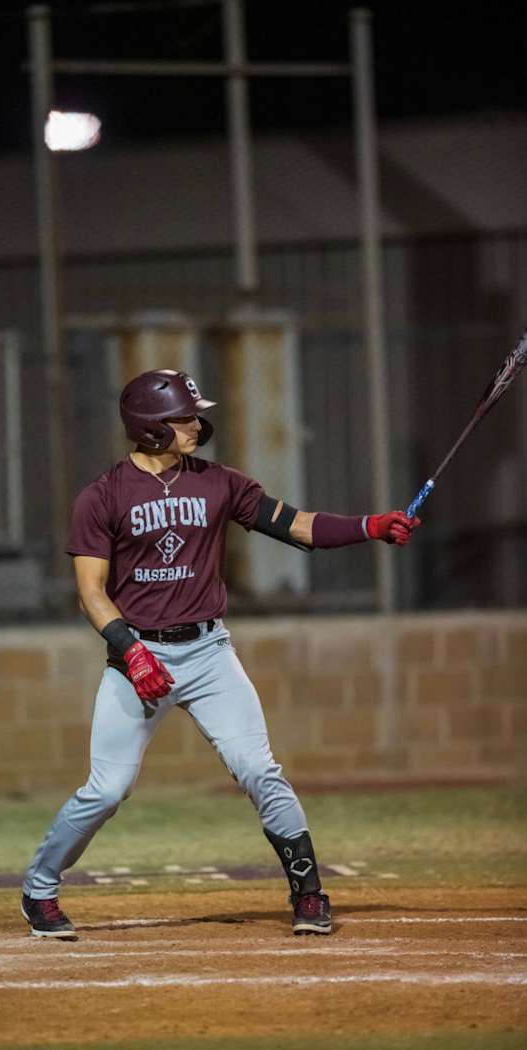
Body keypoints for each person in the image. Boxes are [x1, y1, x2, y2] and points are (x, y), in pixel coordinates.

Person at [21, 370, 419, 939]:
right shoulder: (101, 496)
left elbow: (297, 526)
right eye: (184, 416)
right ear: (151, 427)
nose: (197, 424)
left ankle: (309, 893)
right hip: (139, 656)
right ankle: (39, 888)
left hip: (208, 653)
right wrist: (131, 653)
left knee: (260, 769)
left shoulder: (219, 482)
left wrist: (370, 525)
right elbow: (90, 592)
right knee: (107, 789)